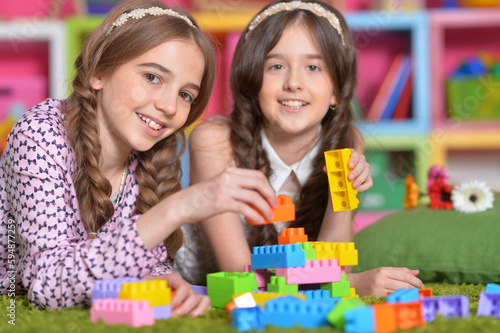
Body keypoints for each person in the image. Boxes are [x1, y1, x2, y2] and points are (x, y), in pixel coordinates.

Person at [0, 0, 277, 314]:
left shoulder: (150, 157)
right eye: (153, 77)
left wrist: (165, 282)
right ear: (99, 72)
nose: (170, 107)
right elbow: (45, 287)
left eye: (186, 94)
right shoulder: (39, 134)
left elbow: (144, 262)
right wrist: (176, 208)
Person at [175, 0, 424, 298]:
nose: (294, 83)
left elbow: (336, 265)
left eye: (313, 67)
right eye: (277, 66)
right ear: (254, 82)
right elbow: (240, 280)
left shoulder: (347, 139)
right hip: (200, 279)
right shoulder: (213, 140)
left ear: (336, 91)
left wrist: (341, 195)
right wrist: (352, 286)